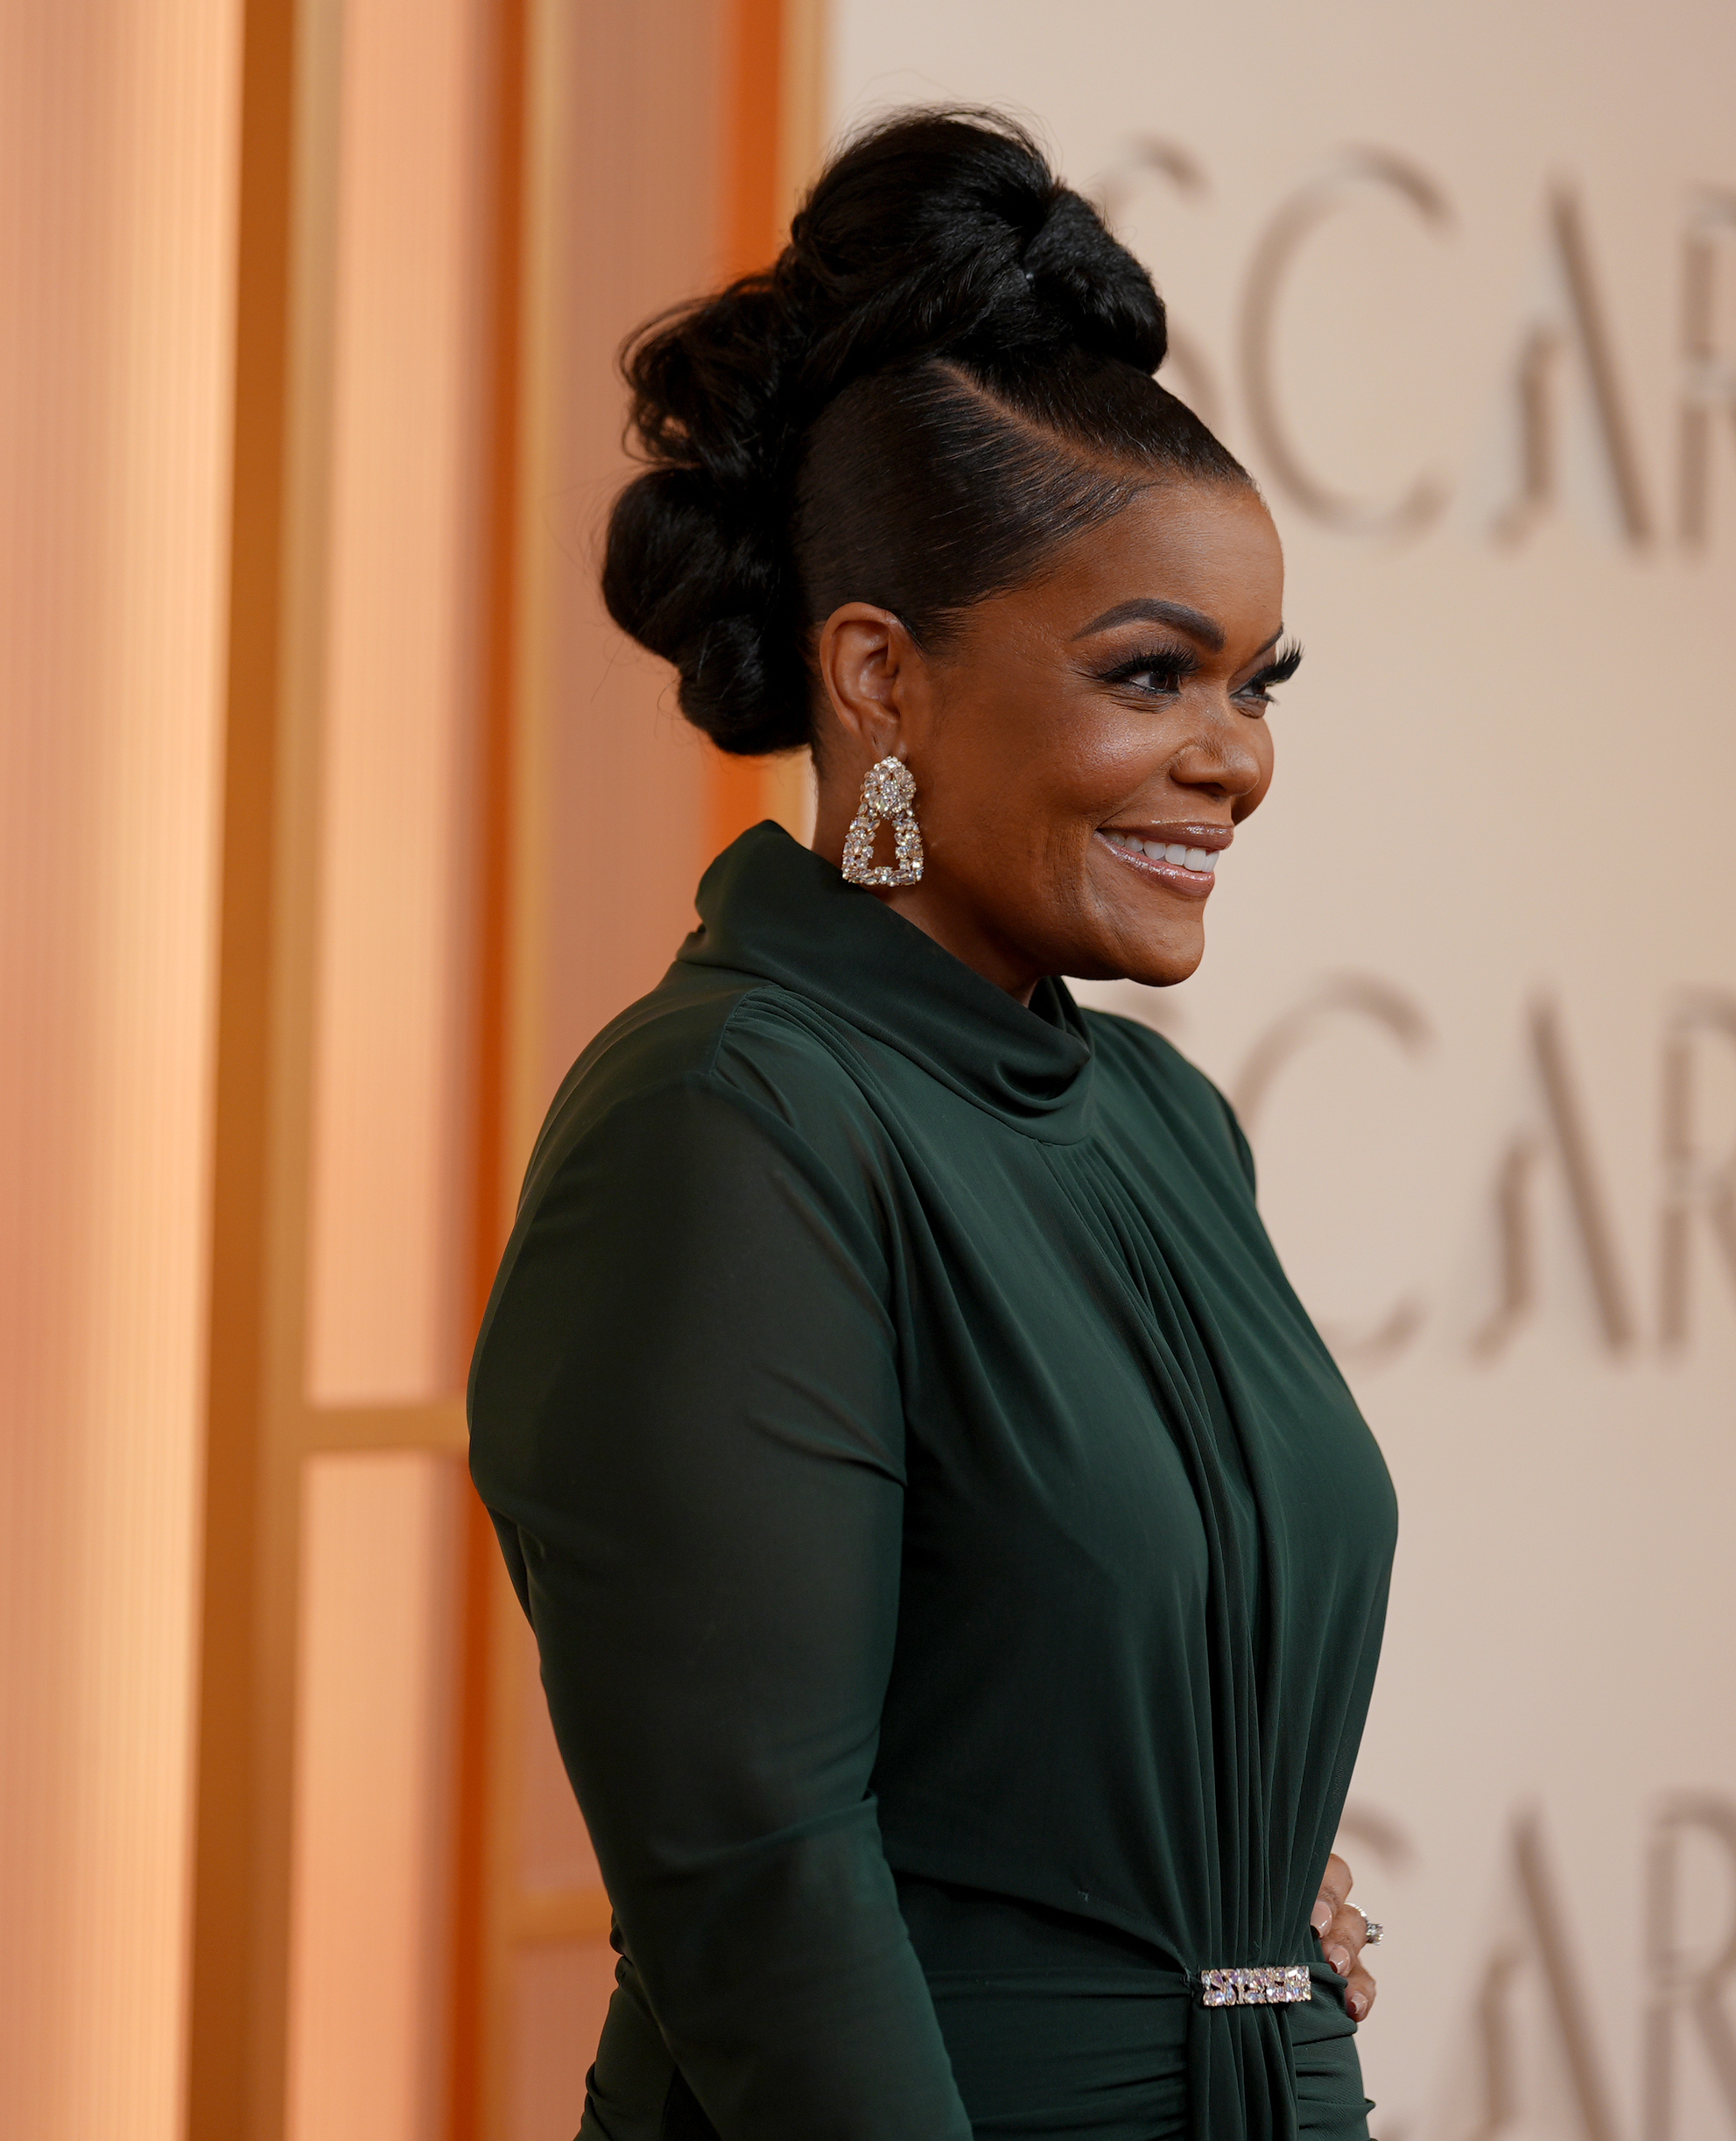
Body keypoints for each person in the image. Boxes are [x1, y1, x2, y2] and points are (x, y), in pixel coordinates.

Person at [467, 109, 1394, 2138]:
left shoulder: (1164, 1124)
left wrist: (1238, 1907)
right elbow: (760, 1891)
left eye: (1253, 686)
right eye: (1149, 675)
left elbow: (1091, 1730)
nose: (1231, 759)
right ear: (878, 679)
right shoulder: (726, 1119)